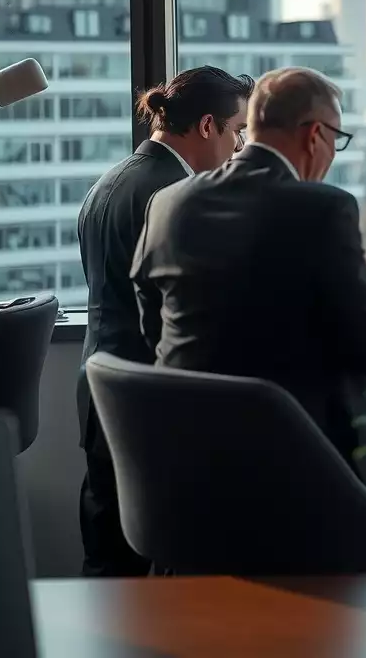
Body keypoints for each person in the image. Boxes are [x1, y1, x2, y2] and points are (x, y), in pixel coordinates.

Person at [130, 66, 366, 498]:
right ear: (315, 136)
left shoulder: (170, 202)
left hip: (189, 464)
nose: (334, 153)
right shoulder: (322, 208)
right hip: (300, 469)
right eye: (338, 140)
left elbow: (160, 323)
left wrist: (361, 295)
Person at [77, 65, 255, 577]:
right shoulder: (175, 198)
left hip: (100, 388)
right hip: (149, 400)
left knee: (109, 558)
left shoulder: (107, 183)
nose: (240, 147)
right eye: (236, 131)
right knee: (161, 560)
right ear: (206, 126)